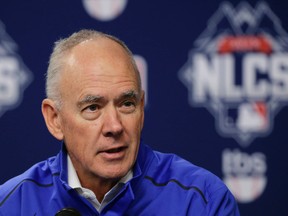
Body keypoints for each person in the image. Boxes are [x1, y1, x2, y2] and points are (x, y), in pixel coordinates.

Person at [0, 29, 240, 215]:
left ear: (142, 108)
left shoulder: (202, 201)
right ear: (55, 119)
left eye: (127, 104)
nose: (114, 126)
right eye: (93, 108)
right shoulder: (11, 205)